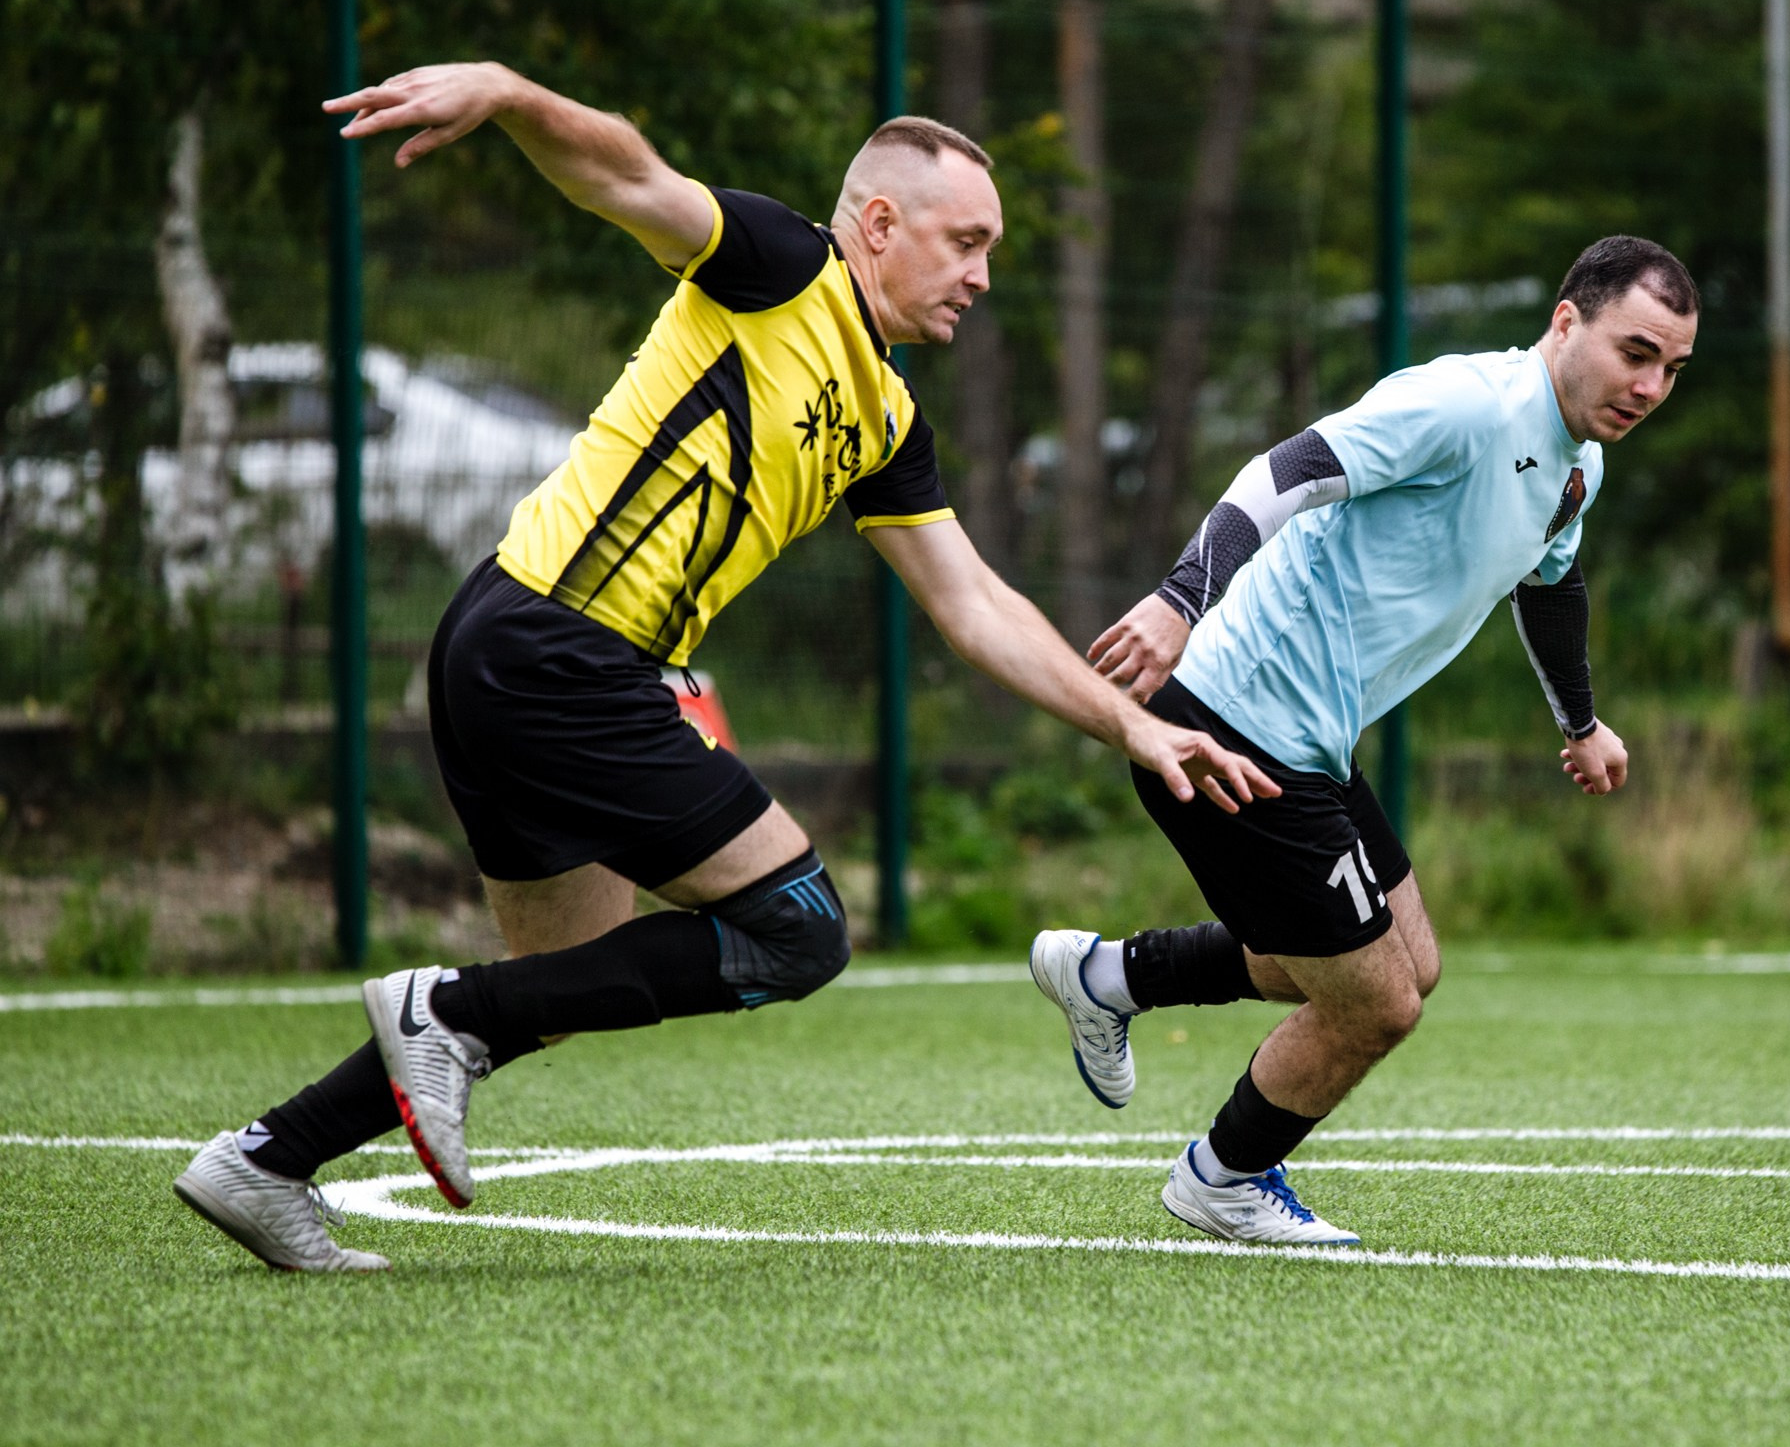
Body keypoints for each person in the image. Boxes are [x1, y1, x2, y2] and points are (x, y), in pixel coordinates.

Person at [171, 62, 1278, 1273]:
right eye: (966, 241)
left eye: (992, 249)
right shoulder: (779, 264)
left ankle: (268, 1158)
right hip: (557, 647)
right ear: (878, 225)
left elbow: (974, 605)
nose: (983, 274)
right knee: (795, 927)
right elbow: (624, 172)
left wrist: (1132, 724)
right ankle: (436, 1019)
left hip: (516, 650)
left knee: (557, 979)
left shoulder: (889, 420)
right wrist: (507, 94)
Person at [1028, 238, 1697, 1244]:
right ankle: (1224, 1176)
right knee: (1377, 1003)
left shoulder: (1578, 466)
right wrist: (1179, 599)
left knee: (1409, 962)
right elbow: (1288, 470)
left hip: (1310, 741)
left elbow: (1550, 582)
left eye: (1672, 369)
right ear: (1567, 322)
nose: (1649, 386)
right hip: (1225, 721)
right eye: (1635, 352)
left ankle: (1112, 978)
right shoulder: (1469, 405)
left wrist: (1581, 721)